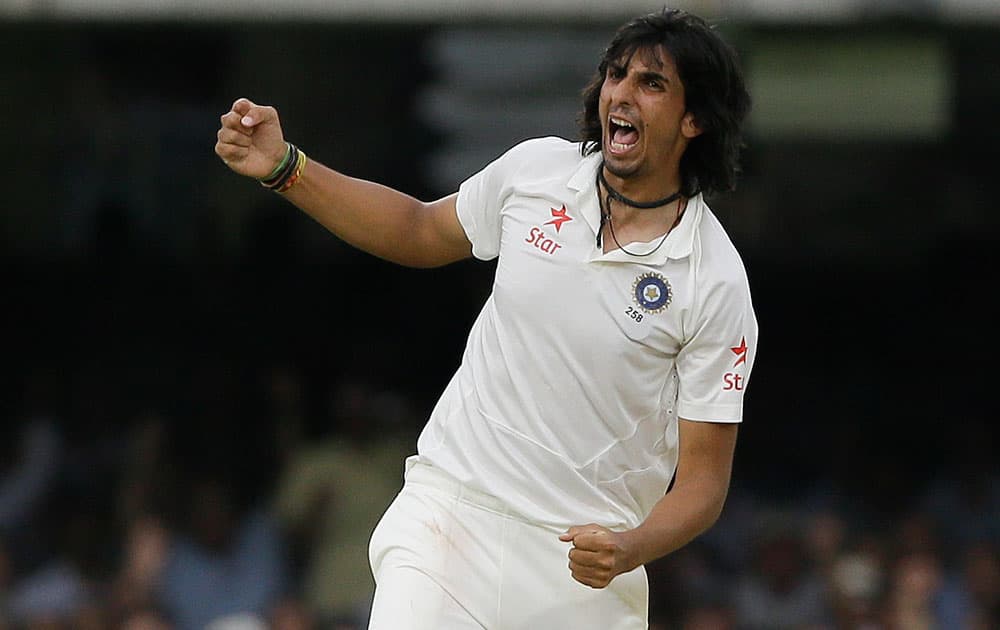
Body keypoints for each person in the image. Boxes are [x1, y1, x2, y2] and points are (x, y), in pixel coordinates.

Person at [215, 8, 756, 629]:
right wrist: (288, 167)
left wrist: (632, 548)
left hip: (578, 567)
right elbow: (417, 230)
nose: (621, 94)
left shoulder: (714, 280)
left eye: (651, 84)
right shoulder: (538, 172)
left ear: (695, 119)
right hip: (451, 515)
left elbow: (703, 484)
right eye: (615, 75)